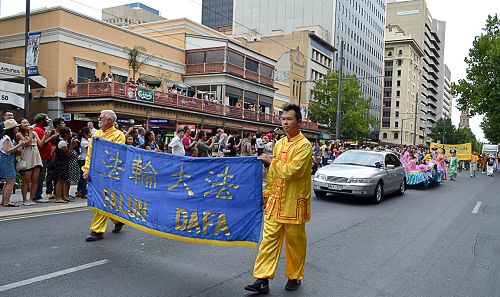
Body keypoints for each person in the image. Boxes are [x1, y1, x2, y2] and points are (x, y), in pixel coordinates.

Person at [245, 104, 312, 294]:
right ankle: (262, 278)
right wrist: (266, 195)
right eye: (283, 119)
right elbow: (273, 176)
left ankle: (294, 276)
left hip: (294, 202)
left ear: (299, 122)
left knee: (295, 243)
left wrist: (271, 162)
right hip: (276, 201)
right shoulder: (280, 143)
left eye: (289, 119)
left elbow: (293, 171)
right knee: (268, 241)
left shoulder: (304, 146)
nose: (285, 122)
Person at [82, 110, 125, 242]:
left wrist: (101, 143)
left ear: (110, 121)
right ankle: (117, 220)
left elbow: (114, 154)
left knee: (101, 200)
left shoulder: (119, 135)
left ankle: (97, 230)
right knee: (105, 199)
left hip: (110, 174)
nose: (99, 119)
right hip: (95, 172)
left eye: (102, 117)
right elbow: (90, 154)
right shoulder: (97, 134)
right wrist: (86, 169)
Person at [16, 118, 44, 206]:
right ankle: (24, 199)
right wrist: (31, 131)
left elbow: (40, 144)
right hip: (27, 156)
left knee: (35, 179)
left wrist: (45, 136)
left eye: (27, 122)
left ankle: (32, 198)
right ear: (20, 125)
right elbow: (28, 143)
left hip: (36, 155)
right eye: (24, 123)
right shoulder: (18, 134)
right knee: (26, 179)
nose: (27, 124)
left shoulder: (34, 133)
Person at [0, 119, 26, 207]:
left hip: (5, 160)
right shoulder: (7, 138)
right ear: (12, 128)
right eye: (16, 127)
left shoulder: (5, 137)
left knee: (8, 181)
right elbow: (7, 151)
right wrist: (19, 145)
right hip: (6, 160)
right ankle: (6, 202)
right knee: (10, 181)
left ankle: (4, 201)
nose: (17, 128)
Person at [33, 113, 57, 203]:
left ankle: (38, 195)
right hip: (41, 157)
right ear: (41, 120)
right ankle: (37, 196)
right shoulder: (37, 130)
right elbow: (41, 144)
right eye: (46, 120)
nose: (48, 121)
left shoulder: (42, 129)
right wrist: (51, 137)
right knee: (40, 177)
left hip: (45, 157)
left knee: (41, 177)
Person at [53, 127, 75, 203]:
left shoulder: (63, 141)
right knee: (60, 180)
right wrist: (71, 145)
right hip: (61, 163)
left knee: (63, 180)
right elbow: (68, 154)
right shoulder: (62, 143)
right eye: (69, 133)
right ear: (66, 134)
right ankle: (58, 197)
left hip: (63, 163)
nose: (70, 135)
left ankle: (63, 196)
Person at [77, 127, 91, 199]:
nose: (91, 134)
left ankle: (79, 191)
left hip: (85, 159)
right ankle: (83, 193)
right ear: (85, 134)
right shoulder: (84, 142)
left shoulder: (88, 140)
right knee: (84, 177)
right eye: (89, 132)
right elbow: (90, 150)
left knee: (82, 177)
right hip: (83, 159)